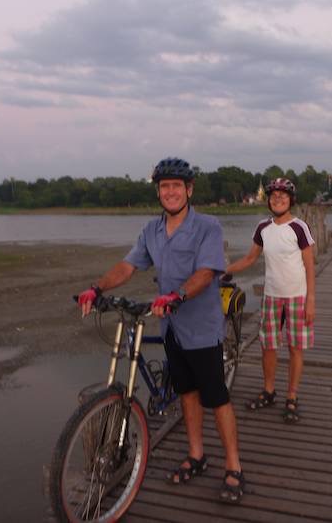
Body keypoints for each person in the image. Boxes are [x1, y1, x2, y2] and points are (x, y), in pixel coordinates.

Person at [77, 157, 245, 503]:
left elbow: (206, 273)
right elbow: (128, 266)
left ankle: (233, 466)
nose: (170, 192)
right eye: (164, 187)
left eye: (176, 186)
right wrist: (96, 288)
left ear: (189, 190)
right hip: (171, 327)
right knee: (186, 393)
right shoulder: (151, 231)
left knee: (217, 398)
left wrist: (177, 294)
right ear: (158, 192)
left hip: (201, 327)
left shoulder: (208, 227)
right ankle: (197, 455)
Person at [224, 177, 315, 424]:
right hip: (272, 296)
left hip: (297, 296)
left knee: (295, 348)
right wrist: (223, 271)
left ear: (291, 200)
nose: (278, 199)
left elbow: (309, 265)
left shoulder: (299, 227)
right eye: (274, 196)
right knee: (269, 347)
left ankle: (292, 396)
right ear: (269, 200)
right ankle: (269, 391)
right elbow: (250, 259)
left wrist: (311, 301)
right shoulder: (263, 228)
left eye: (283, 196)